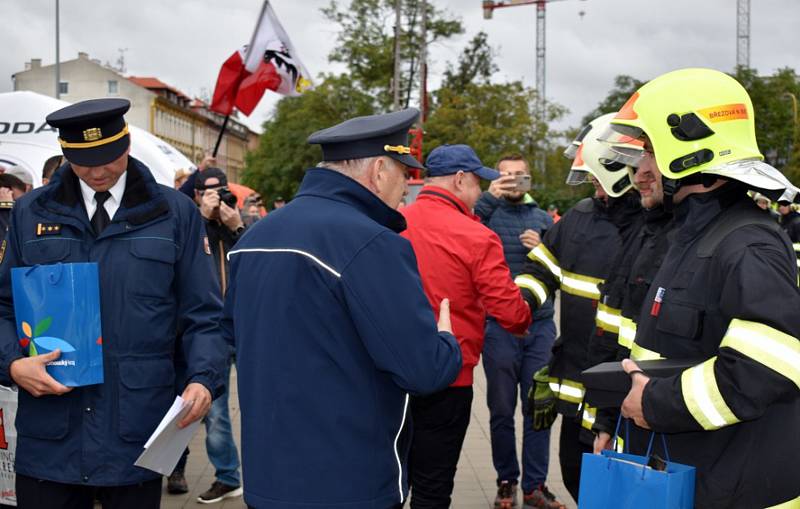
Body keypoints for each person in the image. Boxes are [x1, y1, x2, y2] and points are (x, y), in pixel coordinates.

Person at [219, 108, 462, 509]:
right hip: (349, 483)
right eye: (405, 175)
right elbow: (423, 370)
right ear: (380, 171)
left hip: (268, 478)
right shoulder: (373, 242)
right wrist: (446, 341)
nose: (406, 188)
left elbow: (233, 334)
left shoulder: (255, 236)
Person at [0, 98, 226, 509]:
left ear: (126, 144)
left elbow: (204, 315)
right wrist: (12, 364)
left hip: (135, 433)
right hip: (52, 434)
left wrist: (203, 379)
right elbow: (2, 307)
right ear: (65, 153)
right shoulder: (30, 214)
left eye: (108, 157)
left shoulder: (173, 213)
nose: (99, 171)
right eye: (84, 161)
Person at [611, 68, 800, 508]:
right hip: (695, 476)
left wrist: (657, 404)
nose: (640, 171)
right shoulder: (694, 239)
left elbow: (767, 368)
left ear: (692, 152)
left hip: (737, 488)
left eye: (652, 153)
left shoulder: (746, 244)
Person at [400, 145, 531, 509]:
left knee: (391, 478)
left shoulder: (393, 222)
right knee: (433, 485)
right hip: (449, 376)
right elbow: (509, 309)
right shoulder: (475, 235)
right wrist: (523, 320)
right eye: (476, 184)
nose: (479, 194)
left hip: (391, 373)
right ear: (459, 180)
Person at [515, 131, 641, 502]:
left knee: (618, 490)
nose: (595, 191)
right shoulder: (579, 218)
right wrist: (520, 302)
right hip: (574, 385)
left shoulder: (651, 229)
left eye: (598, 180)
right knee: (575, 474)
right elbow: (542, 269)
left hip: (624, 394)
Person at [473, 154, 558, 508]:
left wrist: (543, 251)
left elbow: (561, 275)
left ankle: (534, 486)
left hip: (539, 328)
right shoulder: (485, 215)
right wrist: (488, 197)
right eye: (505, 176)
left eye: (518, 176)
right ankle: (506, 480)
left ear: (529, 180)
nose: (512, 181)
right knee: (501, 410)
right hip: (500, 328)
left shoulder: (544, 221)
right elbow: (462, 230)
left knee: (538, 408)